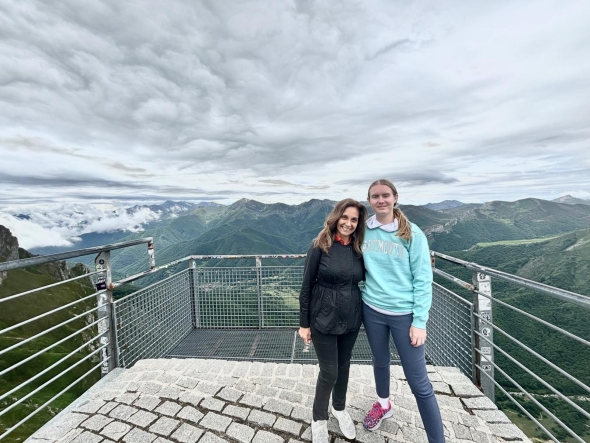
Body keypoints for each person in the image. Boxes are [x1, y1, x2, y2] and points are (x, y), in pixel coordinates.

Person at [361, 179, 445, 443]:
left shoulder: (412, 234)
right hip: (372, 308)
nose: (381, 200)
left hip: (404, 315)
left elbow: (423, 280)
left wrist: (419, 321)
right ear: (369, 200)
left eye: (385, 195)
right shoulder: (365, 231)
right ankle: (383, 404)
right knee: (380, 360)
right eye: (375, 196)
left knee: (419, 382)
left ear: (395, 198)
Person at [299, 198, 368, 443]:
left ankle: (339, 408)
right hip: (323, 316)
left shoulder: (360, 248)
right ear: (336, 217)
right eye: (345, 217)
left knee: (344, 366)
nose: (348, 223)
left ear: (358, 224)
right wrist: (304, 323)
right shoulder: (320, 246)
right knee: (329, 371)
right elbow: (306, 286)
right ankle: (318, 418)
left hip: (351, 317)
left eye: (354, 219)